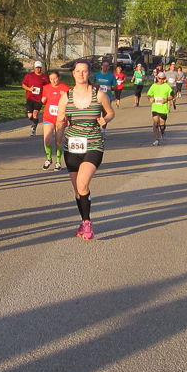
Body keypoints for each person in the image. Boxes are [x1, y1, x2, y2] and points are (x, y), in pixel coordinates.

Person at [56, 59, 114, 240]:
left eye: (84, 71)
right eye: (78, 71)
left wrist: (106, 119)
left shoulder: (99, 94)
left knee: (82, 184)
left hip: (93, 144)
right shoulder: (66, 97)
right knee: (78, 190)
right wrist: (58, 137)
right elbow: (59, 120)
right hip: (72, 146)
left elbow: (110, 112)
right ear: (73, 73)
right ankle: (83, 221)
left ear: (89, 73)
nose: (81, 74)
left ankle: (87, 224)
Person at [39, 70, 69, 170]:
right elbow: (44, 98)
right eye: (51, 79)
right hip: (48, 117)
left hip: (60, 118)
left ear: (59, 78)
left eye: (55, 78)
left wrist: (65, 96)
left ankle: (58, 161)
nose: (53, 81)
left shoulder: (65, 88)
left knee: (58, 141)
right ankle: (49, 159)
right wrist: (43, 99)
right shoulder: (46, 87)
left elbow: (71, 102)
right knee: (47, 140)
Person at [146, 70, 174, 145]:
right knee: (155, 123)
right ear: (157, 78)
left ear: (165, 79)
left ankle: (162, 131)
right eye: (159, 78)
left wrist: (166, 99)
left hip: (163, 108)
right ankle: (157, 139)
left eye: (163, 79)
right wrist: (150, 98)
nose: (161, 80)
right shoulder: (153, 86)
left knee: (162, 124)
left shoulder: (167, 86)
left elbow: (172, 96)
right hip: (155, 107)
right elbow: (148, 94)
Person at [21, 60, 49, 135]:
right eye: (37, 67)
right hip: (30, 97)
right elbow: (23, 85)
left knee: (35, 113)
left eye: (39, 68)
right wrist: (29, 89)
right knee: (30, 115)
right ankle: (34, 121)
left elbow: (47, 87)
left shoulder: (44, 77)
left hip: (39, 98)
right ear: (34, 68)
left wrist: (45, 95)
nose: (38, 69)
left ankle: (33, 130)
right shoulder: (29, 76)